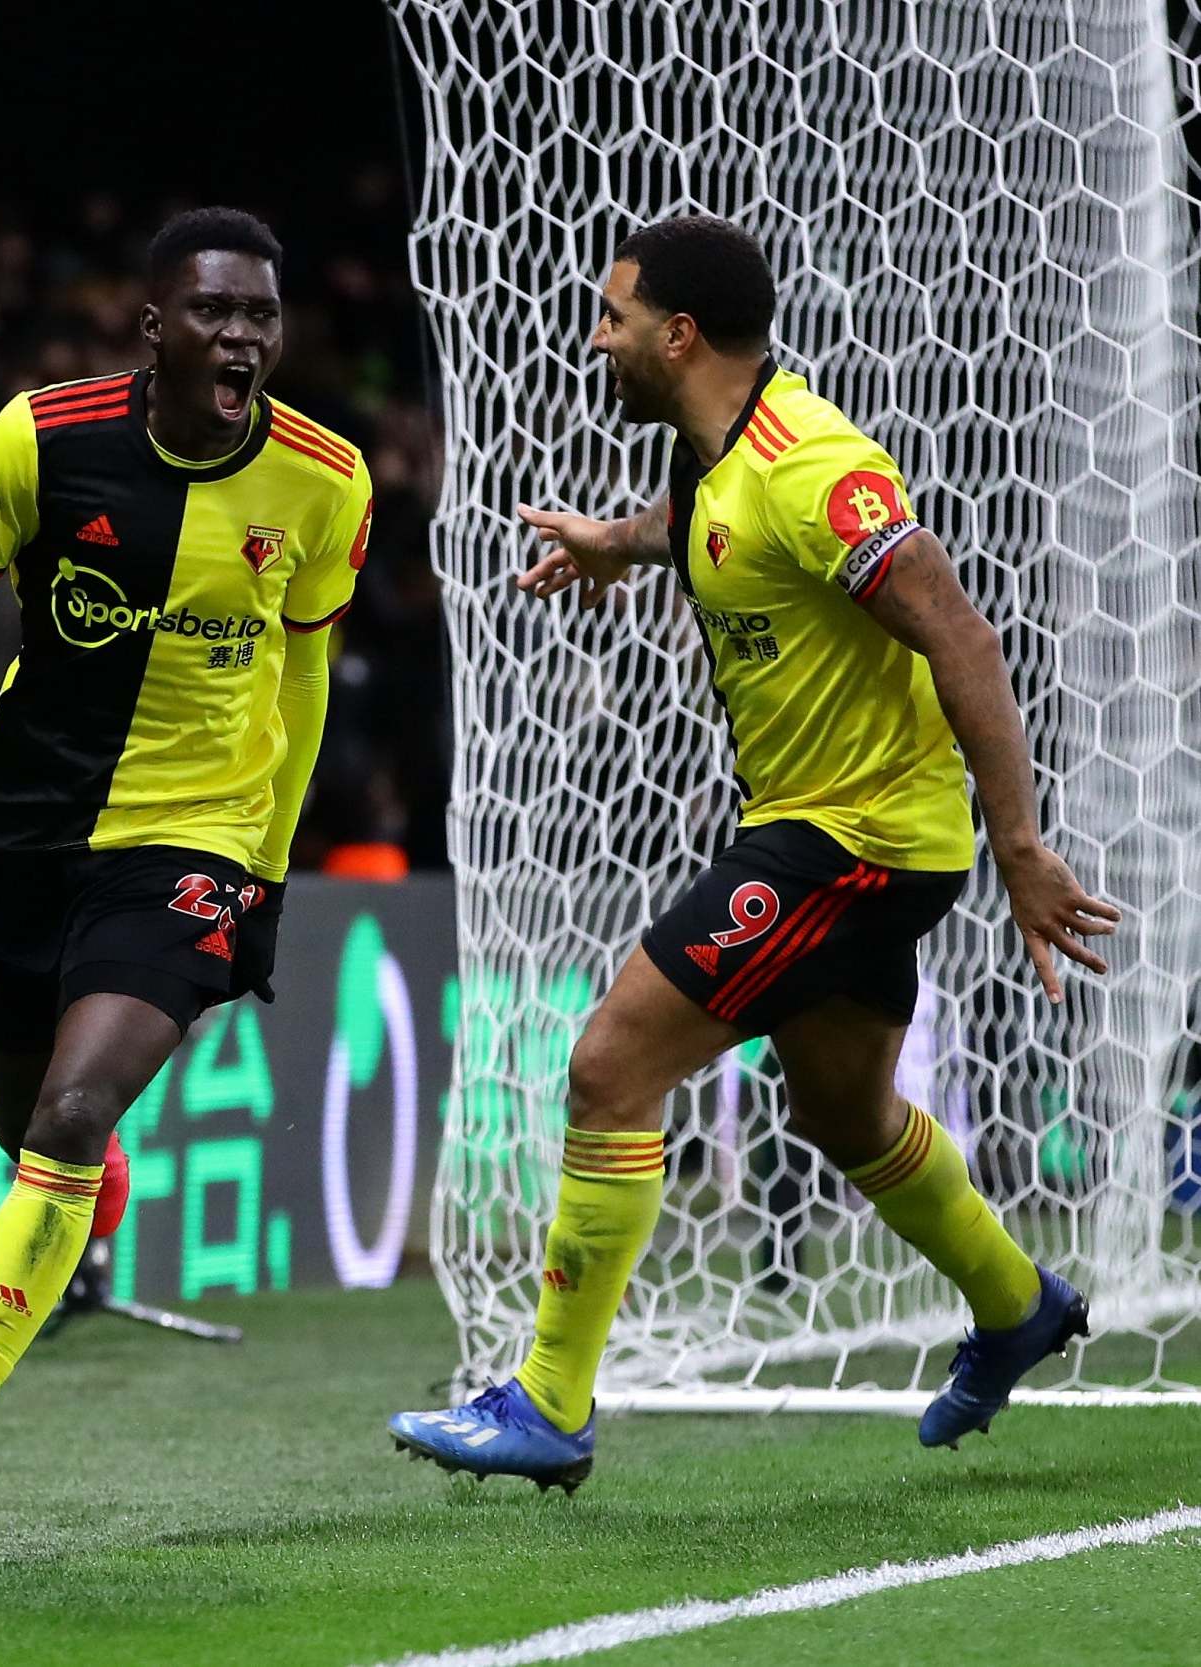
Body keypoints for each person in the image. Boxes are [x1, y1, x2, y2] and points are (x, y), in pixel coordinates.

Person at [387, 215, 1115, 1491]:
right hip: (839, 832)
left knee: (609, 1066)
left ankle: (547, 1403)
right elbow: (697, 522)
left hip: (854, 838)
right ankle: (1018, 1306)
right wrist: (608, 542)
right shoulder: (721, 453)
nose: (596, 339)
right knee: (842, 1112)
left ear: (677, 335)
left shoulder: (812, 463)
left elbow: (961, 636)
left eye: (613, 317)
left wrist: (1021, 849)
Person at [0, 207, 374, 1559]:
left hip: (193, 844)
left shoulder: (324, 480)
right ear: (153, 327)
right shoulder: (39, 439)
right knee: (35, 1132)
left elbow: (300, 687)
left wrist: (271, 869)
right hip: (25, 838)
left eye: (258, 316)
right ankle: (84, 1172)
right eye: (212, 312)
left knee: (66, 1106)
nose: (239, 337)